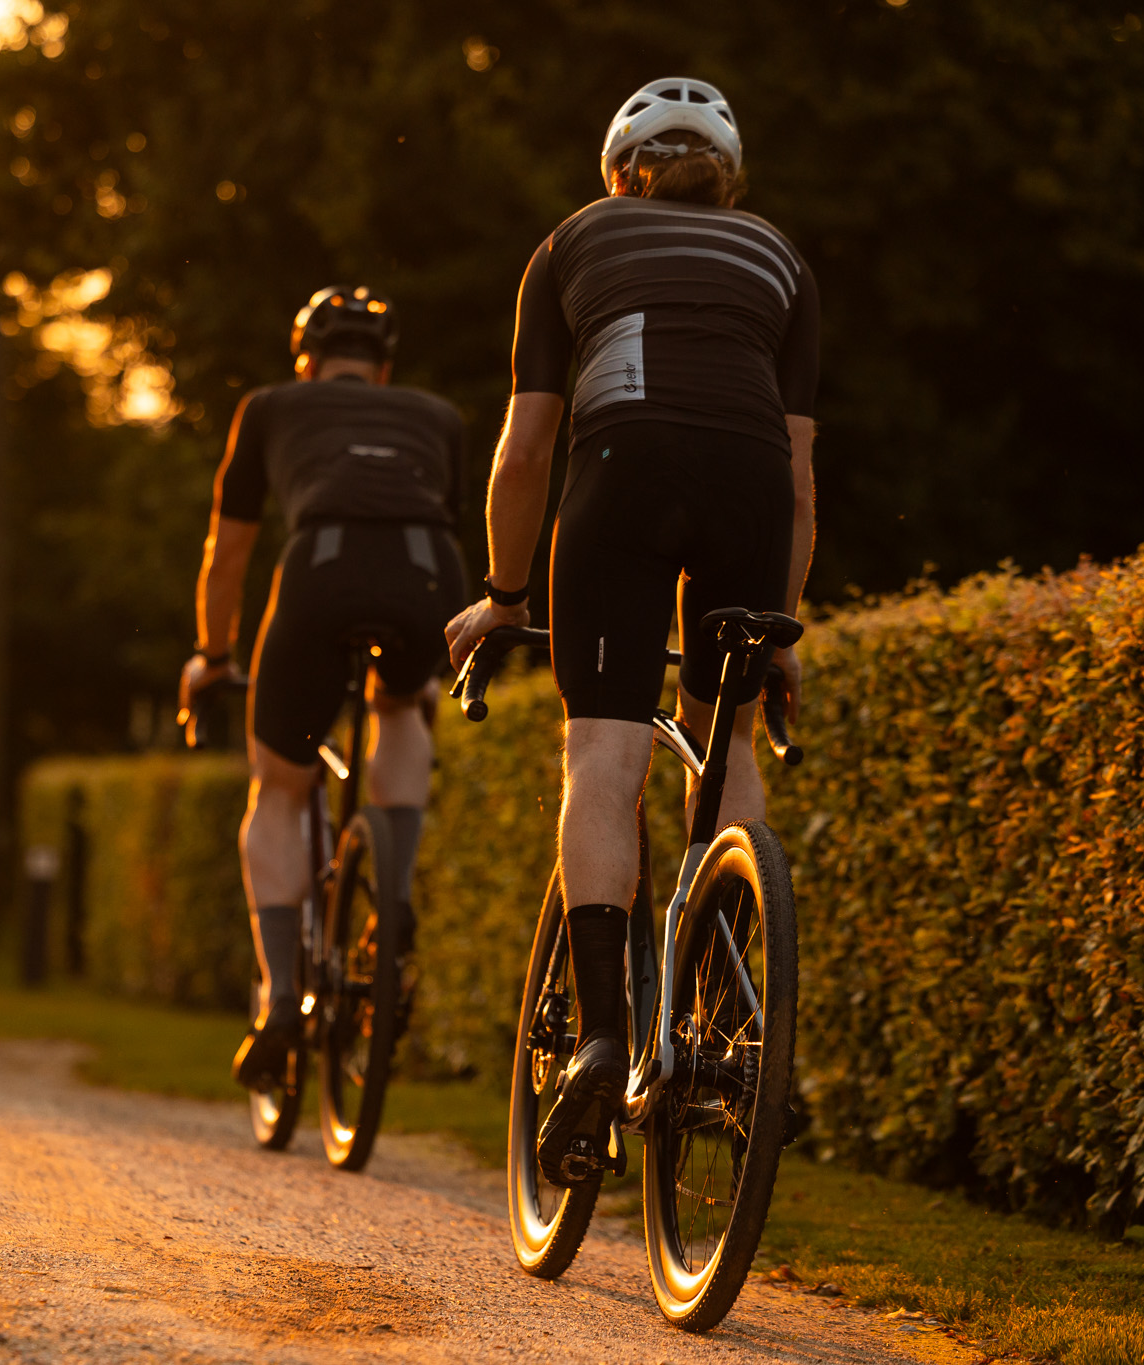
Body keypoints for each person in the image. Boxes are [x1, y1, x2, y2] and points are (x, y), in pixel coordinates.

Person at [444, 78, 819, 1184]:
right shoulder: (780, 258)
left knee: (603, 760)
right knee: (726, 739)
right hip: (749, 487)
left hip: (617, 473)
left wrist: (506, 598)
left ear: (619, 172)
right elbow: (801, 473)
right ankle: (723, 1006)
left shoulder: (574, 238)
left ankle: (602, 1039)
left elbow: (523, 451)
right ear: (730, 181)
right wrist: (783, 633)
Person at [181, 286, 468, 1091]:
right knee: (401, 702)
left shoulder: (269, 406)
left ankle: (279, 997)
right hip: (427, 570)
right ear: (385, 369)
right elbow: (449, 517)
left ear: (305, 357)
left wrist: (212, 653)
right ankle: (396, 895)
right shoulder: (437, 416)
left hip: (321, 571)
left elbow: (228, 551)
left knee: (278, 786)